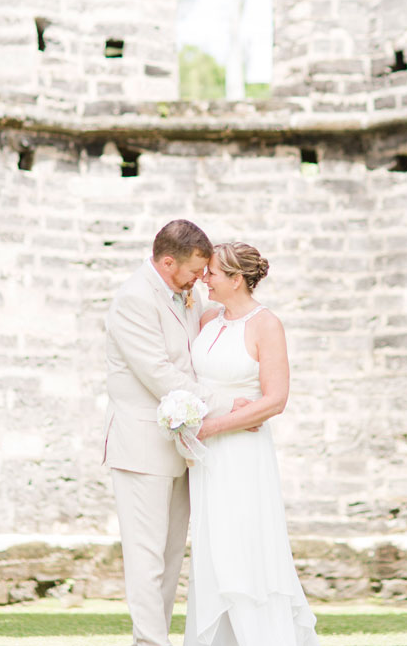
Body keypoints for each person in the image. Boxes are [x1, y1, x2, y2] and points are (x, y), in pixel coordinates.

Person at [103, 219, 244, 646]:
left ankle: (155, 640)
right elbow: (159, 374)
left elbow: (192, 360)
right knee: (145, 561)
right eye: (194, 270)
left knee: (169, 558)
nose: (201, 279)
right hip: (141, 446)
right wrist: (225, 404)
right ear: (167, 262)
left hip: (183, 446)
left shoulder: (190, 294)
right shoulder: (133, 299)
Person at [184, 242, 320, 646]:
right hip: (207, 460)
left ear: (236, 279)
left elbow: (275, 399)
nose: (204, 278)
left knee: (245, 547)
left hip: (242, 453)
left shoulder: (266, 324)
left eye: (212, 273)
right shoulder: (208, 318)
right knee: (213, 550)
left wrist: (212, 427)